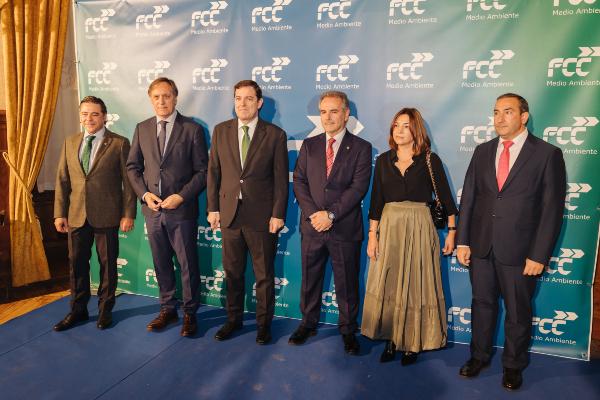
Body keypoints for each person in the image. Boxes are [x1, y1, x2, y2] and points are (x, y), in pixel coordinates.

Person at [456, 93, 566, 390]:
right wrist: (463, 241)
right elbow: (469, 199)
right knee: (481, 304)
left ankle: (513, 365)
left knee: (518, 311)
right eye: (496, 112)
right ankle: (478, 357)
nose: (500, 118)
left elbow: (551, 210)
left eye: (508, 111)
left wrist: (539, 255)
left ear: (524, 116)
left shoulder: (547, 154)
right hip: (481, 246)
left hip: (521, 251)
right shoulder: (482, 151)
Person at [361, 108, 458, 365]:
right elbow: (376, 201)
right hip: (389, 226)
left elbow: (446, 199)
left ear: (416, 130)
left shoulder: (430, 160)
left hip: (419, 226)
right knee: (390, 283)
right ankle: (392, 339)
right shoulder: (384, 160)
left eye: (406, 126)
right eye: (396, 125)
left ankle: (412, 342)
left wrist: (452, 232)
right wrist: (373, 235)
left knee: (417, 284)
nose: (399, 130)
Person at [207, 80, 288, 345]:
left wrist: (278, 214)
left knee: (264, 276)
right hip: (229, 214)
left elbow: (280, 180)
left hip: (262, 217)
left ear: (259, 103)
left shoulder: (275, 135)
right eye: (238, 98)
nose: (242, 103)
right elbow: (213, 173)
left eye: (249, 98)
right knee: (232, 273)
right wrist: (213, 208)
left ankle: (264, 325)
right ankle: (233, 320)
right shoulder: (221, 131)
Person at [290, 91, 372, 355]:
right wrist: (315, 214)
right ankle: (308, 323)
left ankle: (348, 330)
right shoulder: (309, 145)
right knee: (310, 280)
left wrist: (331, 215)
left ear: (346, 114)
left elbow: (358, 188)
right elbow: (299, 181)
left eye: (334, 111)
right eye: (323, 112)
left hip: (344, 228)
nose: (327, 117)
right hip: (312, 226)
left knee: (347, 283)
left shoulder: (361, 148)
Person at [126, 77, 208, 337]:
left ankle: (190, 313)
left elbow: (203, 171)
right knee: (161, 262)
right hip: (153, 211)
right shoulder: (142, 128)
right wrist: (144, 195)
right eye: (156, 97)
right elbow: (132, 167)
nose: (161, 101)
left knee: (187, 265)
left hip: (181, 211)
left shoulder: (192, 129)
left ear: (175, 97)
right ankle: (167, 309)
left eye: (166, 96)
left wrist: (181, 197)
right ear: (151, 100)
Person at [53, 96, 136, 331]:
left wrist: (128, 213)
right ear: (80, 116)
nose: (88, 118)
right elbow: (62, 180)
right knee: (76, 264)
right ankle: (77, 310)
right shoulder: (70, 142)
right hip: (76, 215)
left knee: (107, 265)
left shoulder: (119, 143)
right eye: (84, 114)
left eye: (94, 114)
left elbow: (129, 183)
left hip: (107, 215)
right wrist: (59, 213)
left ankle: (104, 310)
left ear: (104, 117)